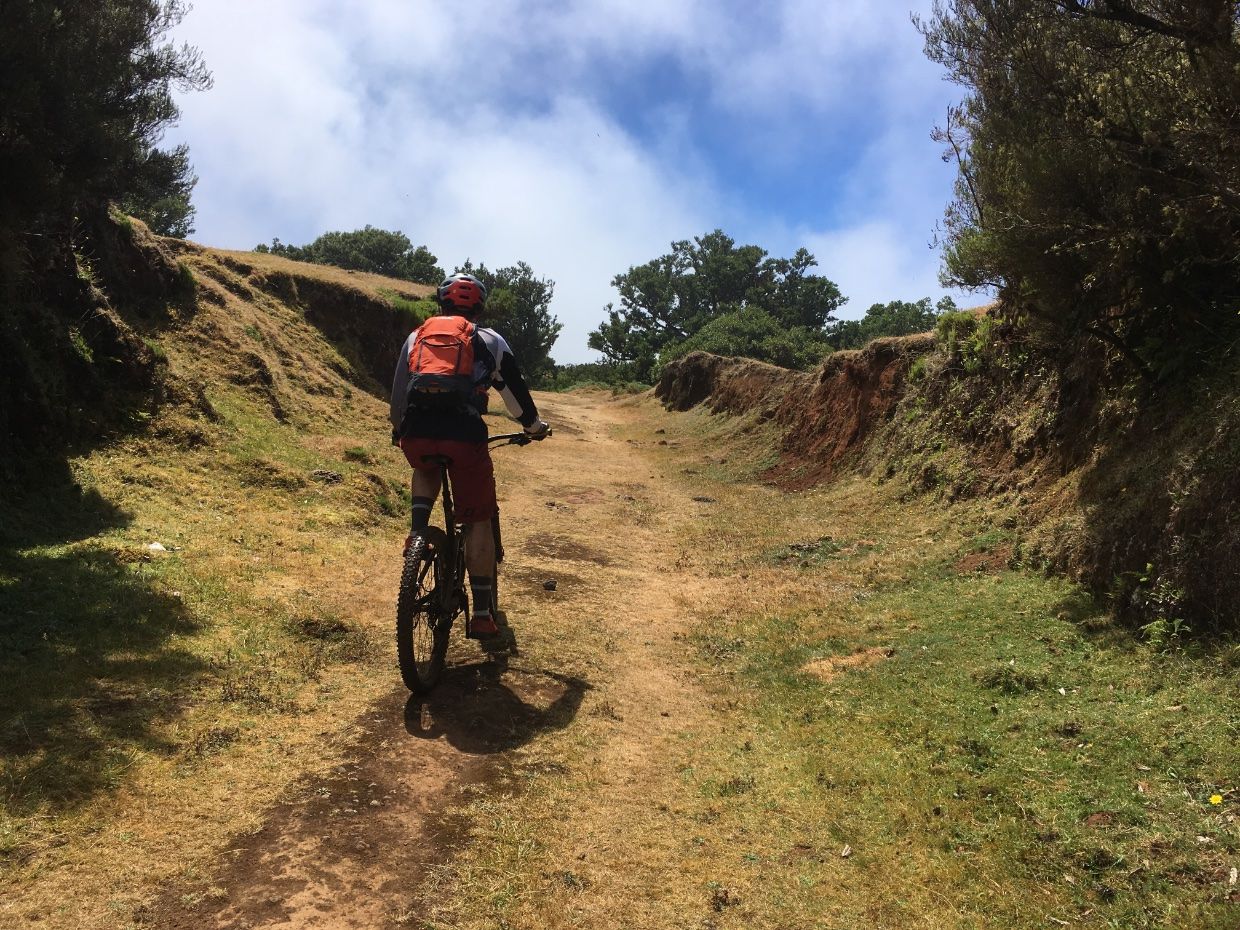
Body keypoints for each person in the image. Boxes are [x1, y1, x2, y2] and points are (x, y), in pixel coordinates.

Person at [390, 272, 549, 637]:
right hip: (464, 438)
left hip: (417, 433)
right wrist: (533, 426)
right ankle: (480, 613)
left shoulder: (417, 336)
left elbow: (399, 391)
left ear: (440, 301)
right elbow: (514, 393)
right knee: (477, 520)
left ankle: (417, 534)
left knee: (425, 463)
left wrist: (401, 430)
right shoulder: (489, 340)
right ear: (479, 307)